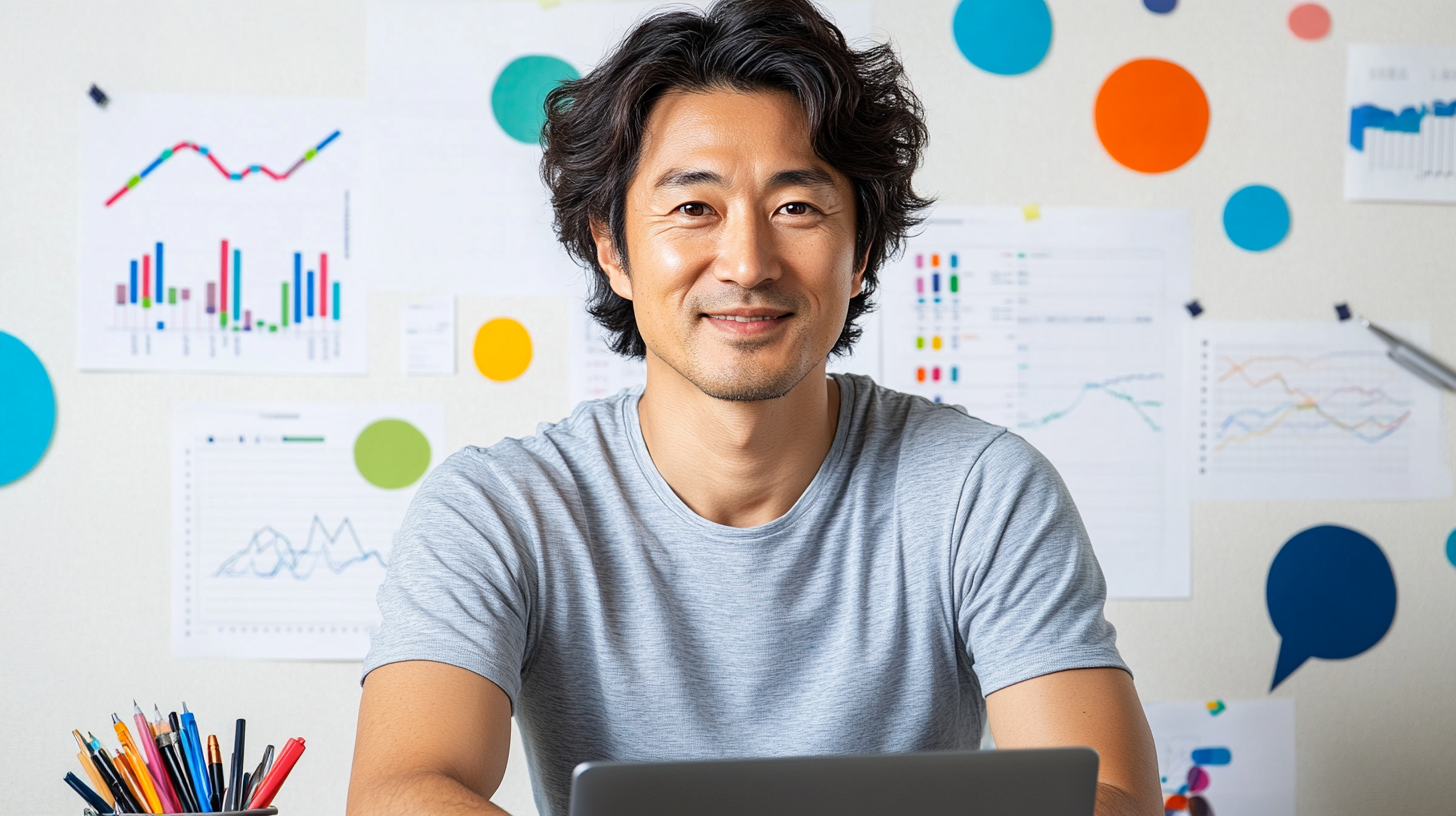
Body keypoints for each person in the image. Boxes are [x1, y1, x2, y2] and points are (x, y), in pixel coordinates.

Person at [347, 1, 1161, 815]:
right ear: (612, 248)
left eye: (796, 208)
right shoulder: (498, 508)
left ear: (862, 252)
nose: (746, 262)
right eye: (694, 208)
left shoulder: (980, 491)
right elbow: (400, 790)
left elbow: (1113, 796)